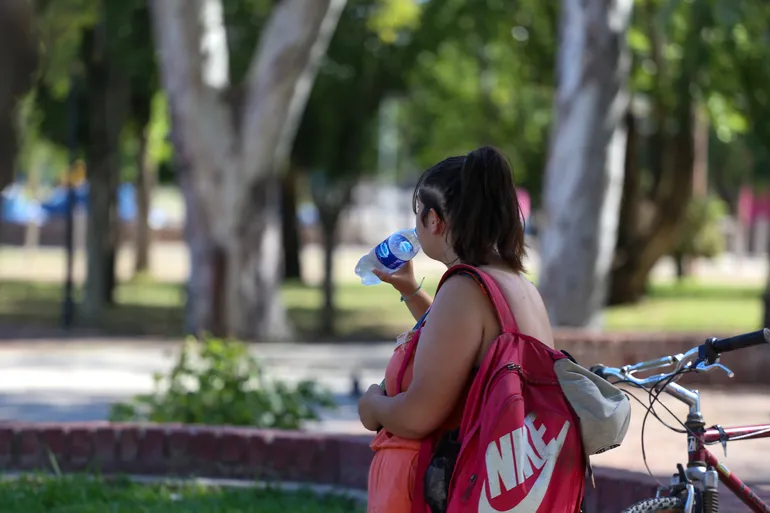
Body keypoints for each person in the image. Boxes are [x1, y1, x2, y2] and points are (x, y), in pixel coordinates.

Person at [357, 146, 560, 513]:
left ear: (434, 220)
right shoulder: (514, 283)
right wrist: (411, 291)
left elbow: (419, 416)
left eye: (418, 214)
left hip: (444, 492)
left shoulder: (465, 289)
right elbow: (464, 354)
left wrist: (372, 406)